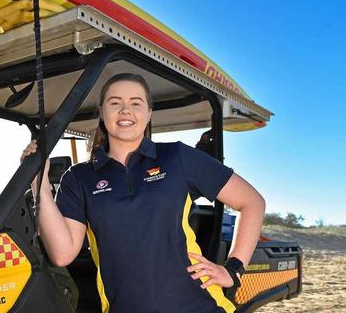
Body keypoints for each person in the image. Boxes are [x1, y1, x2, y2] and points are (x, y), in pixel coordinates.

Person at [21, 73, 265, 313]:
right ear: (102, 112)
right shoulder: (79, 178)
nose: (125, 110)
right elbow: (62, 254)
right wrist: (39, 183)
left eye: (135, 103)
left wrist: (232, 269)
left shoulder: (177, 157)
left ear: (148, 113)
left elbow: (252, 202)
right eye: (115, 102)